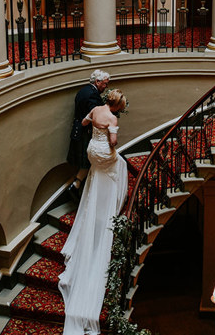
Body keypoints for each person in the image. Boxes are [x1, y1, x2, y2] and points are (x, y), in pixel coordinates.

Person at [58, 89, 129, 335]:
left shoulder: (97, 109)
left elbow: (85, 121)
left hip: (91, 151)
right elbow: (113, 143)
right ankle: (109, 201)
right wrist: (111, 134)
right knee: (119, 163)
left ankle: (93, 196)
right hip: (103, 153)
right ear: (118, 106)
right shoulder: (113, 118)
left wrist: (95, 131)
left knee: (102, 169)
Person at [67, 69, 110, 197]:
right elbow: (95, 115)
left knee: (87, 161)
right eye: (105, 84)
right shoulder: (92, 95)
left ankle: (77, 185)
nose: (106, 86)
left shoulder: (83, 90)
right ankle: (76, 185)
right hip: (86, 132)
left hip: (78, 130)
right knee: (88, 160)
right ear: (97, 82)